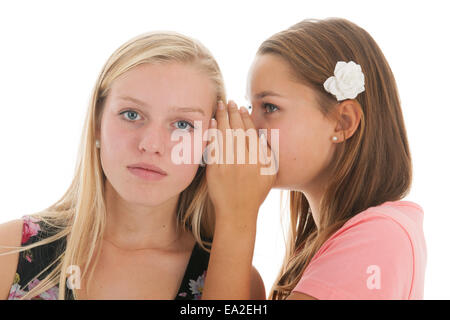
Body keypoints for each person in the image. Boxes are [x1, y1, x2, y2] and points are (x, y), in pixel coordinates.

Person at [0, 31, 265, 300]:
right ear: (97, 123)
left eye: (182, 124)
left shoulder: (236, 281)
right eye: (132, 114)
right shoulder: (8, 252)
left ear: (210, 144)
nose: (151, 144)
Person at [202, 18, 426, 300]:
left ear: (342, 122)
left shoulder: (379, 237)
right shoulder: (322, 243)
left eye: (270, 107)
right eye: (250, 106)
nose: (248, 125)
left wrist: (236, 216)